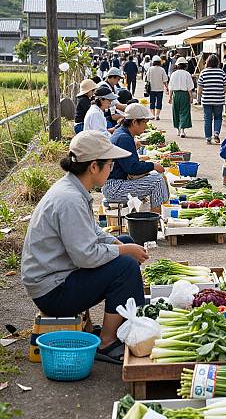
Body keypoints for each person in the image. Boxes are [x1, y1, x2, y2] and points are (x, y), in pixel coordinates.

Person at [21, 131, 148, 364]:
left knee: (127, 243)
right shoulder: (69, 199)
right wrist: (122, 252)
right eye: (109, 164)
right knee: (126, 266)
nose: (111, 169)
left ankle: (131, 323)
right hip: (52, 291)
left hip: (60, 275)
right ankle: (108, 342)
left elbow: (92, 232)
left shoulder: (73, 189)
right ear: (93, 167)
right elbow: (86, 257)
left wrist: (117, 243)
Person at [103, 103, 169, 212]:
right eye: (144, 123)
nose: (146, 126)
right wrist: (153, 165)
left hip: (115, 184)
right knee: (157, 181)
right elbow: (132, 168)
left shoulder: (122, 134)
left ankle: (157, 213)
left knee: (154, 177)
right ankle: (157, 219)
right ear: (134, 122)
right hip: (114, 187)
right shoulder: (123, 138)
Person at [197, 54, 226, 144]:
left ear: (208, 62)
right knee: (218, 118)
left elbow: (199, 90)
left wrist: (201, 96)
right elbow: (225, 88)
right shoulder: (222, 73)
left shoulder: (203, 73)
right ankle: (216, 133)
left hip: (206, 100)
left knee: (207, 119)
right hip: (219, 100)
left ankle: (208, 138)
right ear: (217, 63)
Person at [168, 56, 194, 138]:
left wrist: (170, 97)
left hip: (176, 95)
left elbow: (170, 87)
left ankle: (178, 130)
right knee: (184, 112)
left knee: (176, 112)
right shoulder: (187, 74)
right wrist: (191, 97)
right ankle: (182, 130)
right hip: (184, 94)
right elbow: (190, 87)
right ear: (185, 65)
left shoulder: (173, 74)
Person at [145, 55, 168, 120]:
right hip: (160, 89)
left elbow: (147, 79)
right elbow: (165, 80)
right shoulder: (162, 69)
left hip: (152, 88)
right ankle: (157, 115)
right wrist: (166, 87)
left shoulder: (150, 69)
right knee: (159, 102)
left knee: (152, 101)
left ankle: (153, 115)